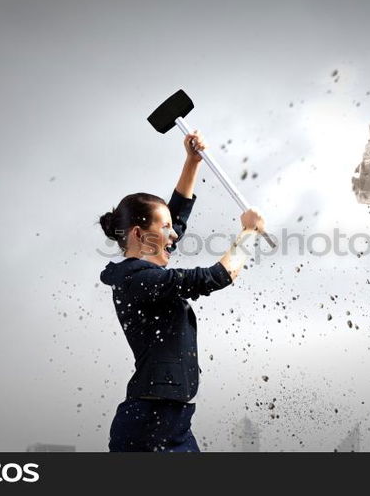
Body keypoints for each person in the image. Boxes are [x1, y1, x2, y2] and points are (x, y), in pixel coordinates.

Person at [98, 130, 265, 452]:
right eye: (164, 228)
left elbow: (175, 222)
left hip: (173, 420)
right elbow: (216, 276)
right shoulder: (138, 281)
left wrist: (192, 162)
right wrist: (249, 233)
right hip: (150, 424)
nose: (174, 235)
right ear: (138, 234)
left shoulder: (145, 271)